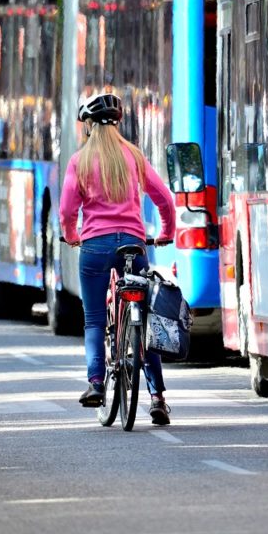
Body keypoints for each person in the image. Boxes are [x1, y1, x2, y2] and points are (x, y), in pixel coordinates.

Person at [59, 92, 176, 425]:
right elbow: (164, 199)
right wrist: (166, 231)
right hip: (134, 246)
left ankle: (96, 382)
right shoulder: (134, 156)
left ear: (89, 127)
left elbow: (68, 209)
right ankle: (156, 397)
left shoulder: (79, 162)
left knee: (95, 319)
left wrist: (71, 235)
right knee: (147, 319)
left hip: (95, 247)